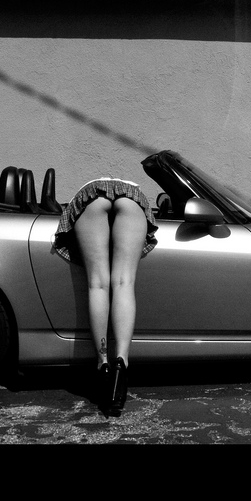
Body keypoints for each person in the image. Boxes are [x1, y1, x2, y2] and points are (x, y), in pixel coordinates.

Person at [53, 177, 158, 416]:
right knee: (124, 282)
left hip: (90, 195)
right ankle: (121, 362)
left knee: (97, 284)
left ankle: (103, 364)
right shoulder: (131, 190)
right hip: (132, 198)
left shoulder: (91, 188)